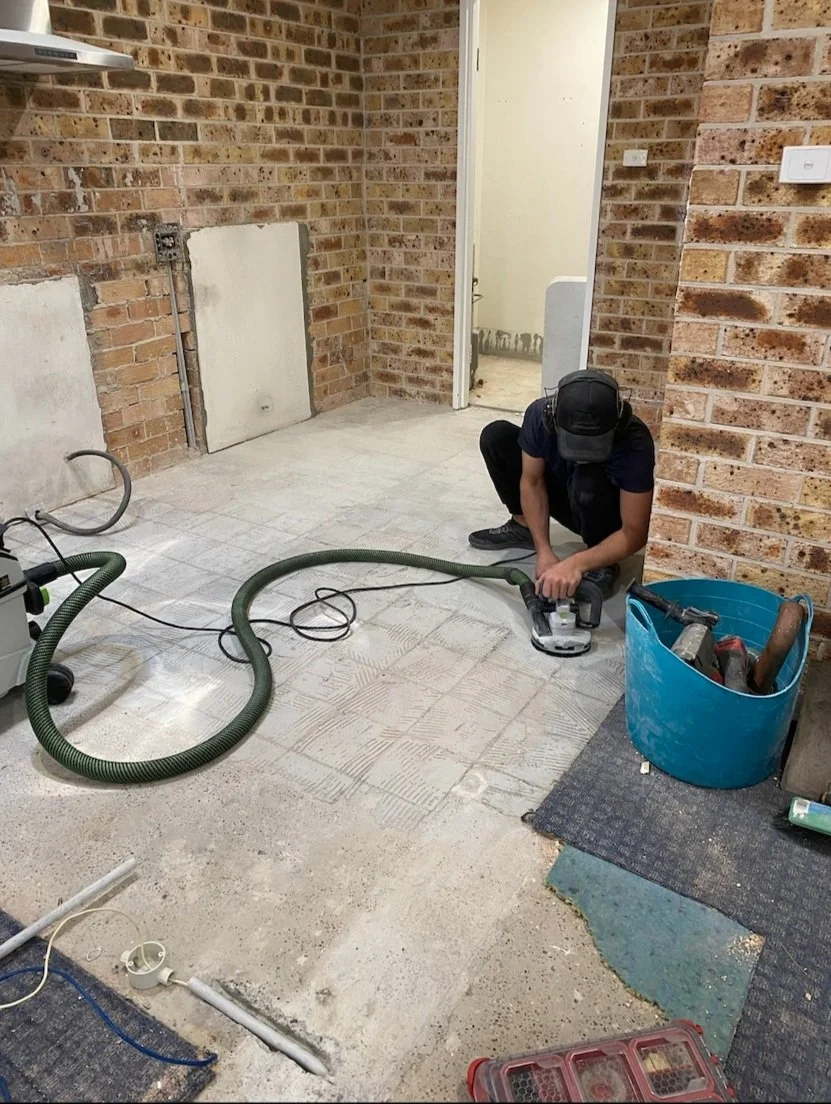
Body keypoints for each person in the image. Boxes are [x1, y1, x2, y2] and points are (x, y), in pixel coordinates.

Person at [469, 369, 655, 600]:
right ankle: (524, 526)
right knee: (496, 436)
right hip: (565, 492)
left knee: (586, 480)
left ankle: (602, 561)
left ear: (618, 423)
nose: (582, 455)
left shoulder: (634, 441)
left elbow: (635, 531)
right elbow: (532, 481)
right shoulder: (539, 416)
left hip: (600, 506)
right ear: (553, 418)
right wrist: (544, 551)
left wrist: (576, 563)